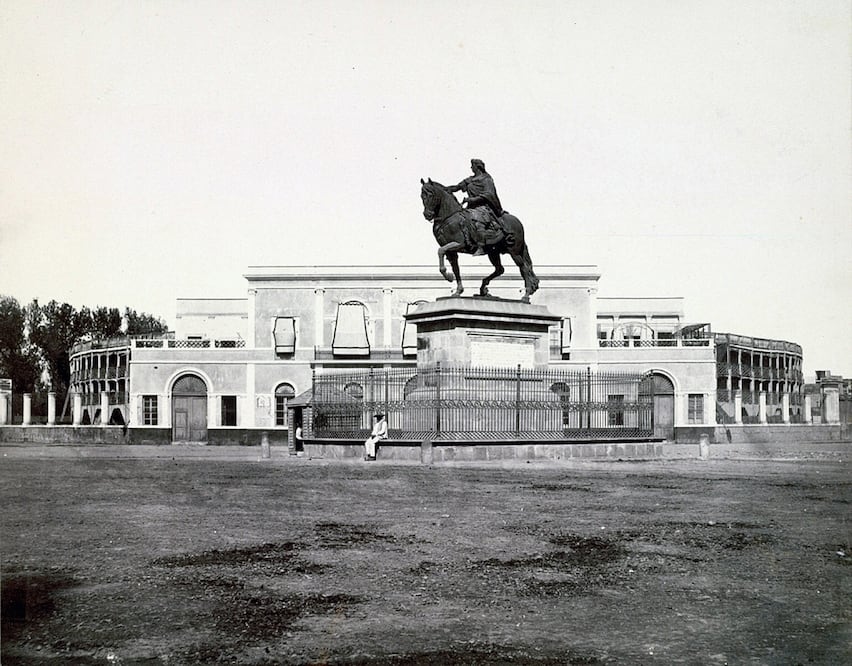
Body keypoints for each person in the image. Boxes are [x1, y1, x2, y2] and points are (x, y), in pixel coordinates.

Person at [447, 158, 504, 255]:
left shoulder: (486, 179)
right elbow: (457, 187)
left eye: (472, 166)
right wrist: (444, 189)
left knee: (478, 221)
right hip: (471, 208)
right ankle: (467, 241)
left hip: (484, 207)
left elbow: (488, 194)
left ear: (477, 167)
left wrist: (472, 199)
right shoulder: (470, 180)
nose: (471, 167)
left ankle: (481, 246)